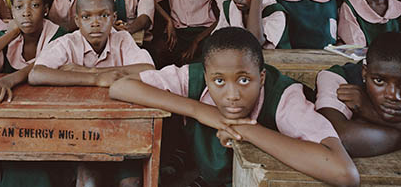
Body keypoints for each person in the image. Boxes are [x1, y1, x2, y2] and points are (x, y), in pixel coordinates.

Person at [110, 27, 360, 187]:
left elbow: (344, 173)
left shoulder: (285, 96)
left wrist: (244, 129)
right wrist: (201, 110)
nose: (232, 95)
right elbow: (121, 87)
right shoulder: (195, 77)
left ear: (261, 77)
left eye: (244, 80)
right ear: (207, 76)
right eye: (218, 82)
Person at [26, 0, 155, 187]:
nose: (95, 23)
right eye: (86, 17)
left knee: (132, 183)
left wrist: (84, 71)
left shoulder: (122, 39)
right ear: (77, 21)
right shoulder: (68, 43)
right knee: (88, 180)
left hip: (120, 129)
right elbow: (36, 74)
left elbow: (148, 69)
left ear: (113, 18)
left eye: (103, 15)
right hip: (80, 132)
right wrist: (95, 78)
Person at [315, 31, 401, 157]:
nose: (392, 96)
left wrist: (371, 113)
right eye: (379, 81)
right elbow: (343, 139)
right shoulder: (336, 78)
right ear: (364, 73)